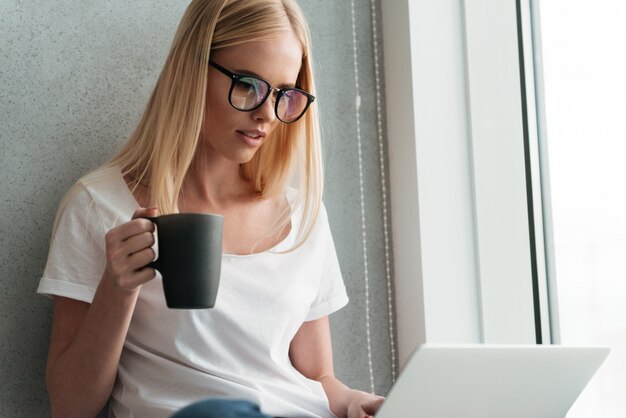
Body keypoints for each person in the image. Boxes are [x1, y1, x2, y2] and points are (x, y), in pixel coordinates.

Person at [37, 0, 385, 417]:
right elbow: (70, 407)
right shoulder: (99, 205)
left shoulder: (301, 215)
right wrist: (118, 288)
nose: (266, 116)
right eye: (247, 84)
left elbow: (318, 379)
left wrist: (353, 402)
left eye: (283, 95)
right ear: (192, 70)